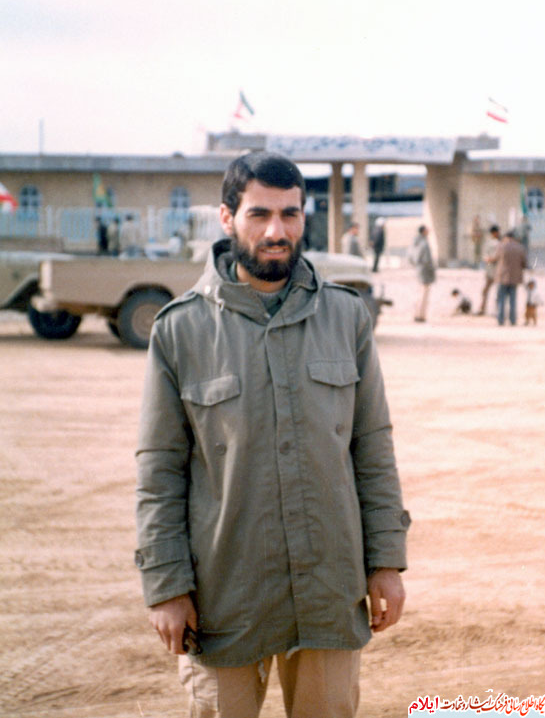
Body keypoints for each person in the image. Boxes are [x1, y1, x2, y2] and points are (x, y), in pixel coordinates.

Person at [135, 153, 410, 718]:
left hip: (328, 587)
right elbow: (159, 468)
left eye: (290, 214)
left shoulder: (346, 317)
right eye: (259, 214)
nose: (276, 231)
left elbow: (373, 448)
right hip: (223, 595)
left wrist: (386, 560)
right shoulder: (180, 329)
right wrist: (166, 585)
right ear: (227, 217)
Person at [492, 230, 527, 326]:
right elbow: (524, 263)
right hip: (514, 277)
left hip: (502, 276)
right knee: (513, 300)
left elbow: (495, 258)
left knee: (501, 299)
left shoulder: (500, 246)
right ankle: (513, 320)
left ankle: (500, 320)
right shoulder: (520, 247)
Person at [410, 225, 435, 322]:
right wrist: (431, 271)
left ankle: (417, 313)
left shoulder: (416, 242)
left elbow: (411, 258)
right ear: (423, 231)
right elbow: (427, 260)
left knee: (419, 292)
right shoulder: (424, 243)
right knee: (424, 294)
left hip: (419, 270)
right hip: (425, 271)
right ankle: (421, 315)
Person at [476, 225, 501, 316]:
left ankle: (498, 310)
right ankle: (483, 308)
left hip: (497, 270)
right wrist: (488, 259)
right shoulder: (490, 242)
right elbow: (485, 255)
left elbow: (498, 256)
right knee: (485, 291)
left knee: (497, 292)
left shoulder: (499, 243)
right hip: (490, 271)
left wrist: (491, 259)